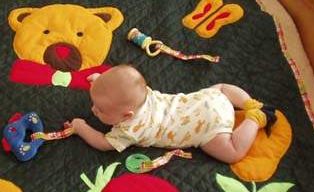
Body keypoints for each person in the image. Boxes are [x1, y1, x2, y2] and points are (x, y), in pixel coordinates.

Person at [69, 65, 277, 164]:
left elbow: (103, 143)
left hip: (208, 127)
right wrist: (101, 81)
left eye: (101, 110)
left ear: (126, 116)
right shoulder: (142, 93)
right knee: (221, 87)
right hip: (209, 100)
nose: (93, 110)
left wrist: (81, 127)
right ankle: (249, 103)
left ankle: (254, 118)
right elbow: (122, 84)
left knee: (232, 153)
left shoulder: (130, 130)